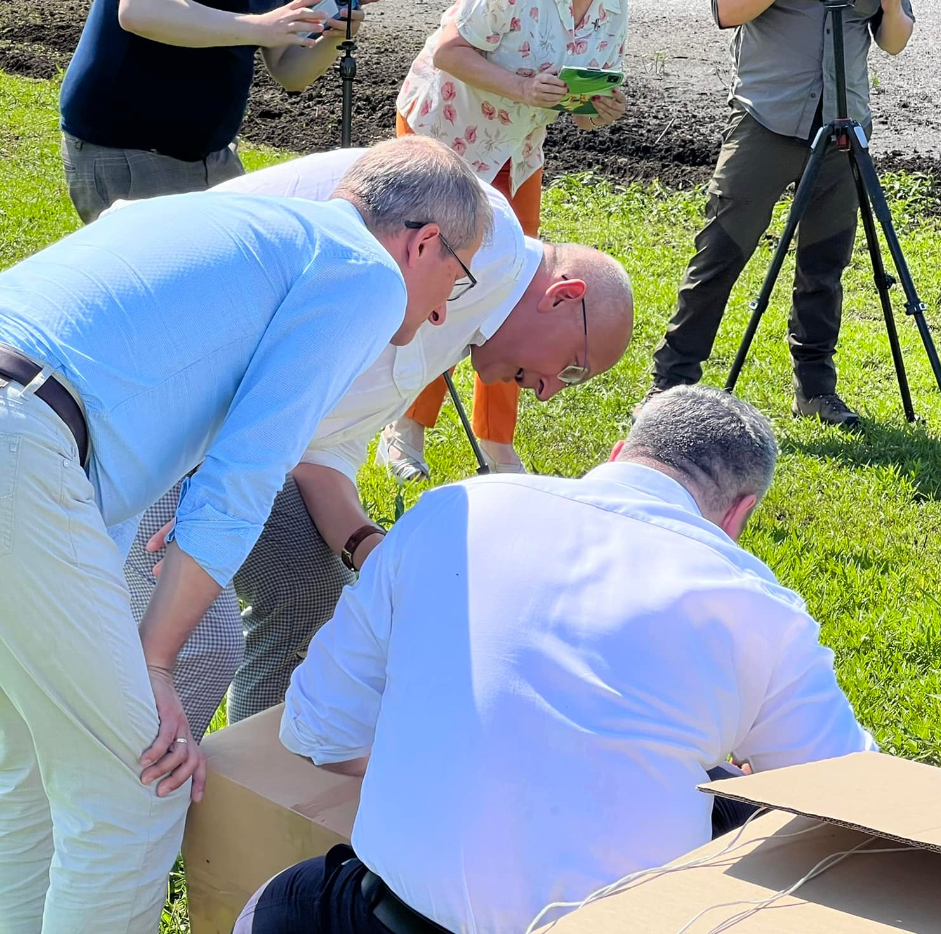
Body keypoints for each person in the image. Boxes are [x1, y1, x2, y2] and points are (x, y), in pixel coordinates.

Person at [0, 137, 490, 934]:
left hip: (29, 423)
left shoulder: (249, 224)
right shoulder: (363, 271)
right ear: (421, 242)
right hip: (24, 439)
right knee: (135, 787)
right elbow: (246, 477)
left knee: (34, 769)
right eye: (462, 273)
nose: (446, 309)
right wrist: (155, 663)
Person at [228, 385, 874, 934]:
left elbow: (317, 727)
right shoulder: (761, 607)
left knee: (270, 919)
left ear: (620, 451)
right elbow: (853, 804)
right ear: (739, 512)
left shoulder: (452, 508)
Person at [119, 146, 634, 737]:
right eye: (571, 367)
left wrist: (375, 552)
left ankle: (255, 798)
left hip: (225, 427)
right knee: (196, 643)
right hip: (149, 394)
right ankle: (127, 809)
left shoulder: (465, 301)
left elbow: (322, 451)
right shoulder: (478, 242)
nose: (547, 392)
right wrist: (204, 503)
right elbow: (258, 412)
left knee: (312, 594)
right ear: (564, 297)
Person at [384, 0, 631, 479]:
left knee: (519, 290)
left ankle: (496, 440)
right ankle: (405, 427)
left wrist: (598, 109)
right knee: (440, 285)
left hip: (516, 155)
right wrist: (522, 88)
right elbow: (448, 52)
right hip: (444, 135)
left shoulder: (612, 8)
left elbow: (580, 108)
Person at [641, 0, 915, 428]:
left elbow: (894, 41)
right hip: (764, 121)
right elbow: (726, 13)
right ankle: (670, 386)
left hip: (842, 131)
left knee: (825, 267)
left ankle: (815, 389)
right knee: (718, 256)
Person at [59, 0, 372, 223]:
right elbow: (140, 11)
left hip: (211, 153)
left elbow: (290, 71)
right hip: (126, 148)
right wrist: (260, 27)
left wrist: (333, 37)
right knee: (172, 302)